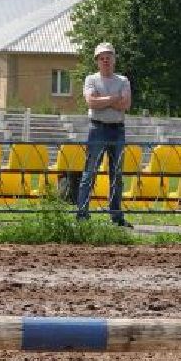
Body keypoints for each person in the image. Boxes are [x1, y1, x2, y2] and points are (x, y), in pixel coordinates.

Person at [75, 43, 132, 228]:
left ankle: (116, 217)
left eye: (108, 57)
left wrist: (103, 101)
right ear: (97, 61)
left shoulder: (123, 80)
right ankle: (82, 215)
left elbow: (125, 105)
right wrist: (114, 98)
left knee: (117, 175)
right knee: (89, 173)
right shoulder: (91, 79)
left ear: (114, 59)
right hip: (97, 129)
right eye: (102, 58)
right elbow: (91, 102)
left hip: (117, 129)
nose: (105, 60)